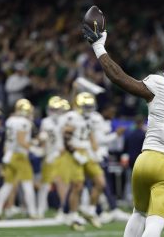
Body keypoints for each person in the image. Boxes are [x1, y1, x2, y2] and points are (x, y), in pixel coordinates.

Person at [82, 16, 164, 237]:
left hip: (146, 160)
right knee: (155, 224)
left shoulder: (158, 84)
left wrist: (98, 46)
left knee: (139, 213)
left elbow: (117, 76)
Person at [61, 92, 105, 230]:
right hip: (74, 151)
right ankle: (73, 217)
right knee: (77, 186)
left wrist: (96, 151)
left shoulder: (89, 118)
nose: (89, 109)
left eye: (90, 106)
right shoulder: (72, 117)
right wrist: (74, 153)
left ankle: (90, 211)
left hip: (86, 152)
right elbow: (65, 137)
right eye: (86, 106)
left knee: (100, 183)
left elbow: (90, 134)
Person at [0, 98, 37, 218]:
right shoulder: (24, 122)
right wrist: (34, 147)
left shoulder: (10, 120)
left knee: (7, 185)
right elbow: (21, 140)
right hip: (19, 156)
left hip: (9, 154)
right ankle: (32, 212)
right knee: (27, 183)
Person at [37, 96, 69, 219]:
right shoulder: (46, 122)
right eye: (53, 109)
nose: (55, 112)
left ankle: (64, 208)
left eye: (57, 109)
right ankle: (40, 209)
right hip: (50, 156)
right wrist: (41, 140)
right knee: (45, 183)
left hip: (61, 155)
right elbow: (43, 140)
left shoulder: (64, 120)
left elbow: (66, 138)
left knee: (62, 182)